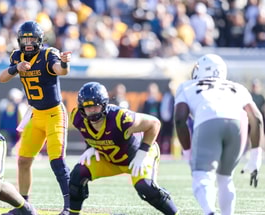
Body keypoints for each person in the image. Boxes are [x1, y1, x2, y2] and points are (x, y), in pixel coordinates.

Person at [68, 82, 179, 215]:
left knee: (145, 186)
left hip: (136, 156)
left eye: (95, 106)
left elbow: (154, 123)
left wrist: (142, 153)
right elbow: (88, 132)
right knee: (77, 174)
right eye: (88, 106)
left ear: (104, 105)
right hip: (110, 160)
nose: (92, 110)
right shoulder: (77, 118)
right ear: (81, 108)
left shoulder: (120, 117)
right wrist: (90, 146)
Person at [174, 54, 263, 215]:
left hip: (208, 121)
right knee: (225, 178)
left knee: (201, 175)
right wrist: (256, 156)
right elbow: (256, 117)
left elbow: (180, 120)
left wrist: (188, 152)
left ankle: (210, 212)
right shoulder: (238, 87)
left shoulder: (187, 86)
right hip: (237, 127)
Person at [0, 20, 72, 215]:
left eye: (32, 38)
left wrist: (64, 62)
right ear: (20, 40)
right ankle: (24, 207)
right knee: (23, 160)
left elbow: (61, 71)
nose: (28, 42)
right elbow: (2, 78)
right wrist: (16, 68)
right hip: (35, 115)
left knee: (57, 161)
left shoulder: (48, 54)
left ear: (40, 40)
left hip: (54, 114)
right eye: (25, 38)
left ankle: (70, 206)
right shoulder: (17, 56)